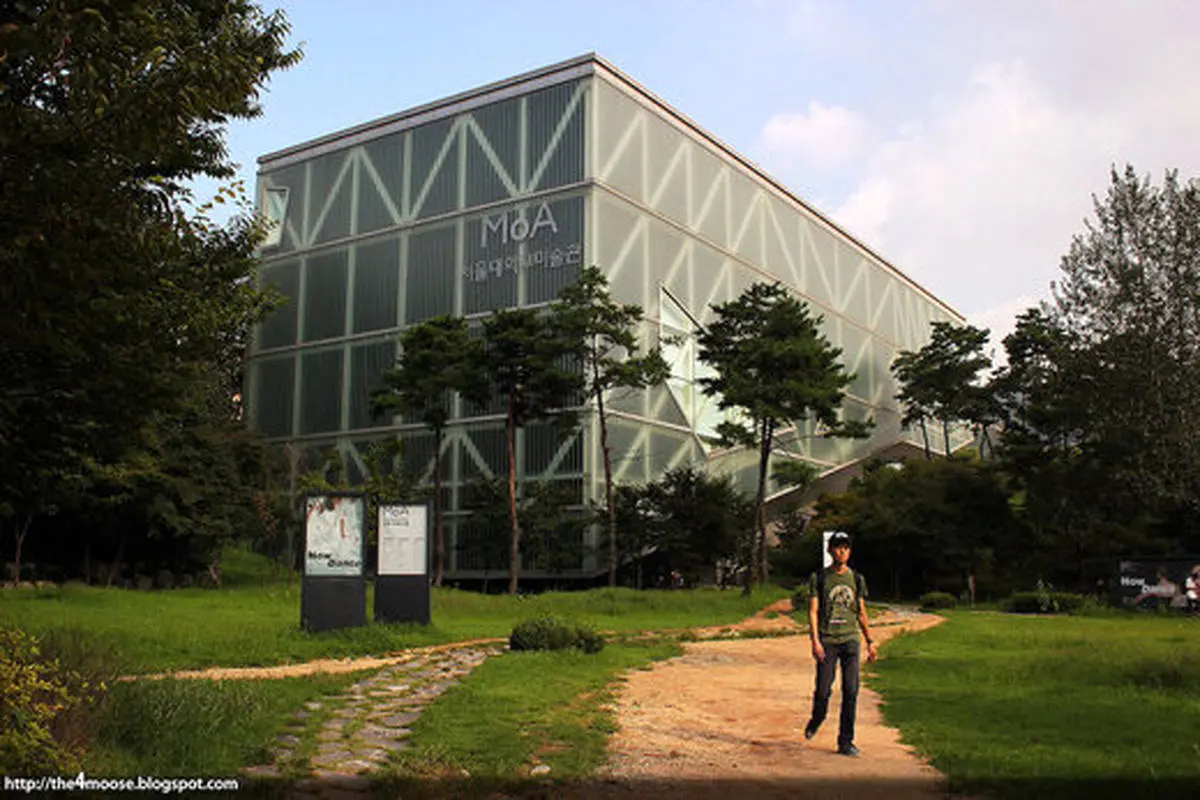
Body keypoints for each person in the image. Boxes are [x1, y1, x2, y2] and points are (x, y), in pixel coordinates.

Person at [803, 531, 877, 757]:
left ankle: (846, 741)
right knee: (823, 691)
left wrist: (870, 641)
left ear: (850, 551)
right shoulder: (820, 578)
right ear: (830, 550)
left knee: (851, 691)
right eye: (837, 547)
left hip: (850, 640)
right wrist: (815, 641)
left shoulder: (856, 579)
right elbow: (813, 611)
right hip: (828, 641)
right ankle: (817, 718)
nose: (841, 551)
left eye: (845, 547)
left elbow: (861, 611)